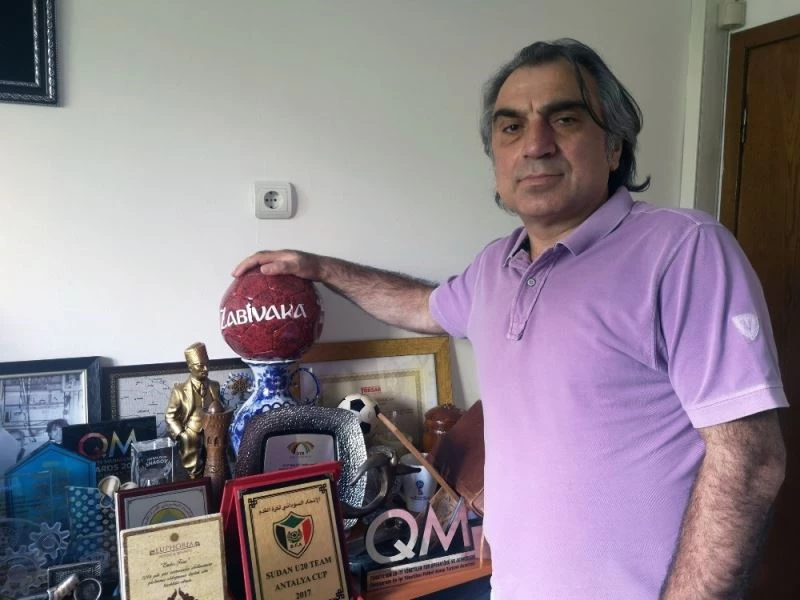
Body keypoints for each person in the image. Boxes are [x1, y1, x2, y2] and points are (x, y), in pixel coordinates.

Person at [231, 39, 787, 599]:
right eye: (512, 127)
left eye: (565, 119)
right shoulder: (495, 266)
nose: (535, 145)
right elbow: (422, 306)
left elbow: (750, 462)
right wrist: (321, 268)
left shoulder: (683, 250)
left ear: (614, 146)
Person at [165, 342, 221, 478]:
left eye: (207, 364)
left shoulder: (215, 386)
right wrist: (182, 434)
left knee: (214, 468)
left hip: (212, 434)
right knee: (192, 471)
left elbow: (219, 408)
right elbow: (170, 416)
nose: (206, 369)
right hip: (191, 434)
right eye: (200, 366)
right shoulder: (179, 391)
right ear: (190, 367)